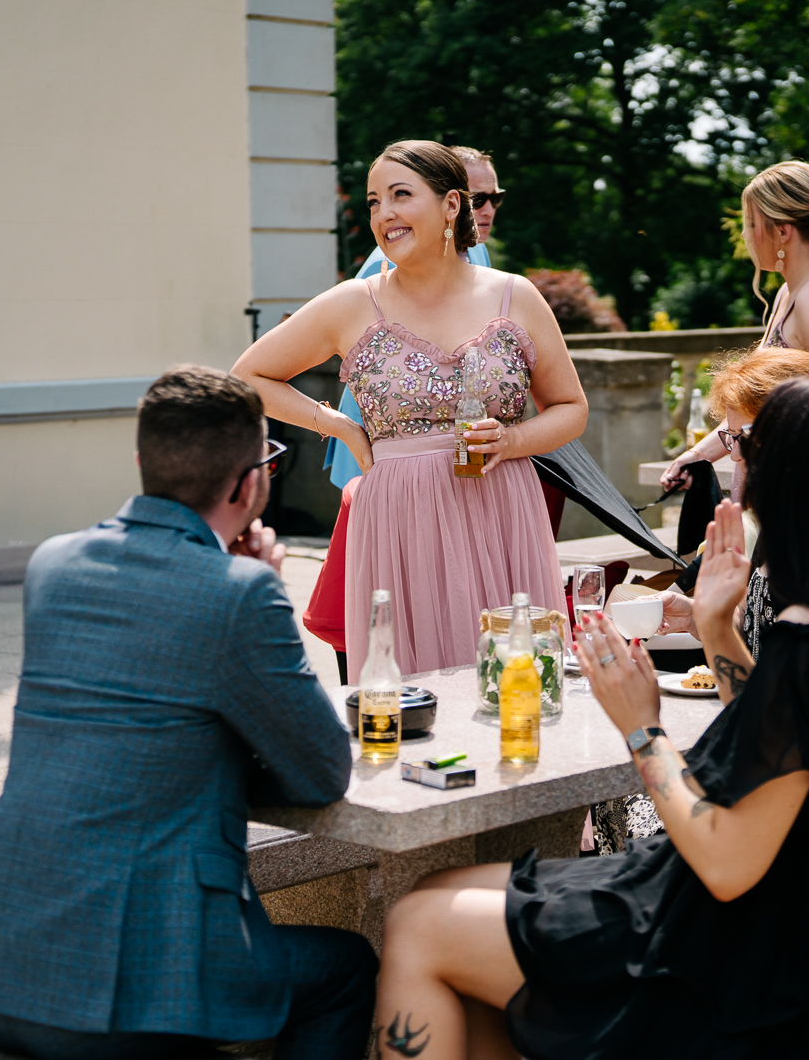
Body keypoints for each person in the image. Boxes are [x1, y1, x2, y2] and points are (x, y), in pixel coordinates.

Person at [371, 376, 809, 1060]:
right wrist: (718, 629)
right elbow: (793, 748)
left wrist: (641, 727)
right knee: (444, 890)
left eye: (750, 451)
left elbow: (725, 862)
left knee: (419, 923)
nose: (738, 467)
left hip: (767, 968)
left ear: (799, 490)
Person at [0, 367, 374, 1060]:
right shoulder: (242, 593)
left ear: (143, 462)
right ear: (248, 485)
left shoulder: (53, 564)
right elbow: (322, 772)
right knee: (348, 969)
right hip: (120, 1006)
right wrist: (257, 590)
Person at [235, 140, 586, 678]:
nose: (385, 214)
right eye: (374, 201)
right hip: (400, 519)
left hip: (503, 511)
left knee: (514, 684)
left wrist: (513, 440)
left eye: (402, 195)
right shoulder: (352, 302)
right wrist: (342, 429)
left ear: (451, 206)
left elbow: (570, 408)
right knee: (408, 696)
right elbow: (248, 377)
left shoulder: (515, 295)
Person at [305, 148, 507, 682]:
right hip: (382, 468)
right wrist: (341, 427)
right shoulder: (385, 269)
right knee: (398, 628)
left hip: (468, 475)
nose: (485, 211)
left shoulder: (486, 271)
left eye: (494, 199)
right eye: (376, 201)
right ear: (452, 201)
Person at [659, 161, 809, 489]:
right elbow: (755, 408)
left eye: (751, 223)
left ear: (783, 231)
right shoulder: (792, 290)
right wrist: (698, 455)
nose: (745, 234)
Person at [656, 346, 809, 656]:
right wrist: (696, 616)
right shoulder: (780, 515)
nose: (735, 455)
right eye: (730, 436)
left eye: (747, 436)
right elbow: (753, 628)